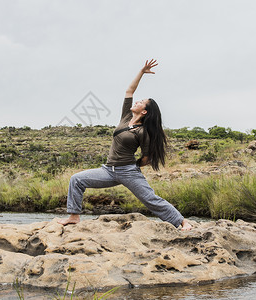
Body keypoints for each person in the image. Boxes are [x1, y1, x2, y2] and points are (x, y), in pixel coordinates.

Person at [58, 59, 192, 231]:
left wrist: (134, 166)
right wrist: (142, 72)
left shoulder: (143, 132)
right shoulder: (126, 118)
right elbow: (129, 90)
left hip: (128, 172)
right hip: (108, 170)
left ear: (144, 111)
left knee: (149, 198)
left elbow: (147, 157)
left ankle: (182, 222)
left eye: (140, 102)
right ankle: (74, 217)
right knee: (76, 179)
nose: (136, 102)